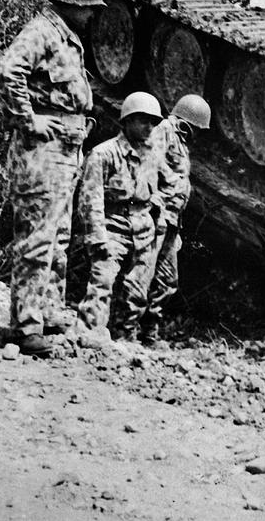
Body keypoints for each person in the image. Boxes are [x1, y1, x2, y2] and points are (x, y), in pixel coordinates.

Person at [0, 0, 105, 357]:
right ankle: (25, 326)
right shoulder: (41, 31)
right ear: (72, 5)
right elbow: (8, 72)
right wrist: (28, 120)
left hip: (66, 148)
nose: (92, 15)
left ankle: (47, 311)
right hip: (43, 149)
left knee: (58, 235)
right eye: (89, 8)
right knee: (38, 237)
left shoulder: (67, 38)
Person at [76, 91, 167, 344]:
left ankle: (126, 338)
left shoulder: (153, 155)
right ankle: (89, 336)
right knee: (102, 282)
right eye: (142, 120)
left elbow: (156, 192)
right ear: (126, 121)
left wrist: (158, 222)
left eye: (153, 122)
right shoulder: (103, 154)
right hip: (112, 226)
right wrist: (97, 238)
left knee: (137, 290)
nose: (149, 126)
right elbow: (90, 199)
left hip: (143, 230)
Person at [143, 94, 211, 347]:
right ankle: (126, 330)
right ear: (187, 124)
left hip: (172, 220)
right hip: (157, 217)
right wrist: (156, 206)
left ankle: (149, 330)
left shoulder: (178, 141)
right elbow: (147, 168)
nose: (198, 136)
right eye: (197, 130)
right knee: (142, 275)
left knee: (167, 279)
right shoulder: (163, 132)